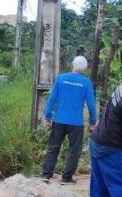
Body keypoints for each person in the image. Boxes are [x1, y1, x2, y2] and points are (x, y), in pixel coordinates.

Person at [41, 56, 97, 184]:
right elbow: (91, 104)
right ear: (85, 69)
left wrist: (48, 116)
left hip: (59, 120)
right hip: (76, 123)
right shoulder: (86, 83)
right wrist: (93, 122)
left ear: (72, 64)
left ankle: (46, 175)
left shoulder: (61, 79)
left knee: (53, 147)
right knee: (74, 151)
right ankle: (66, 178)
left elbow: (52, 99)